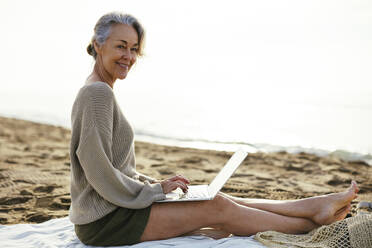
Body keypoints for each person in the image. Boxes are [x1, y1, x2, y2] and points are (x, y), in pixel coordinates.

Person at [69, 12, 359, 246]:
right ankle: (314, 227)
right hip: (105, 222)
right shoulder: (98, 94)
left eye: (134, 49)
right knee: (218, 208)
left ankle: (315, 206)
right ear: (98, 45)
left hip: (115, 211)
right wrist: (154, 191)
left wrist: (154, 186)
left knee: (214, 198)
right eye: (121, 46)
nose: (129, 57)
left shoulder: (98, 90)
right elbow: (98, 171)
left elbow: (113, 167)